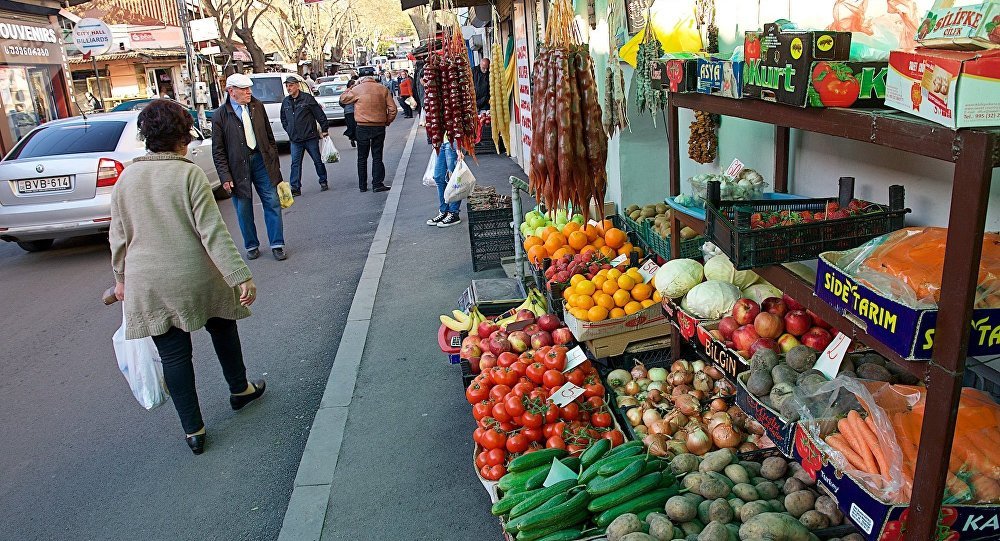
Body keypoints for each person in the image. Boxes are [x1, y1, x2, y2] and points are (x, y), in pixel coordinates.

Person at [109, 99, 266, 455]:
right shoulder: (189, 173)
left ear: (145, 137)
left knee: (173, 354)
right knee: (223, 323)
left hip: (147, 280)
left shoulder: (127, 177)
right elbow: (212, 232)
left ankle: (193, 431)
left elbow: (118, 237)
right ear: (184, 135)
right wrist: (240, 275)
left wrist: (121, 279)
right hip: (195, 272)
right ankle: (240, 390)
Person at [212, 73, 288, 261]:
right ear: (231, 91)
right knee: (243, 208)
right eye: (244, 89)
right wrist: (225, 177)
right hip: (238, 168)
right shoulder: (220, 116)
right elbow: (218, 151)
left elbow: (269, 137)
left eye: (249, 88)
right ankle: (251, 245)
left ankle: (277, 244)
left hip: (261, 161)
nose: (249, 92)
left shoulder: (257, 106)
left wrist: (273, 162)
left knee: (272, 202)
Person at [339, 75, 397, 193]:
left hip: (362, 126)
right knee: (377, 156)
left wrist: (352, 87)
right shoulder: (382, 88)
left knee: (362, 157)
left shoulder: (357, 89)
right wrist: (387, 121)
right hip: (379, 126)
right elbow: (393, 109)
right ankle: (377, 184)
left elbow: (343, 99)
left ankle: (362, 185)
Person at [280, 76, 329, 196]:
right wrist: (289, 130)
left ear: (297, 85)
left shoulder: (307, 99)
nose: (288, 88)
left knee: (317, 160)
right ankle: (295, 187)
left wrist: (324, 129)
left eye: (291, 85)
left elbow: (319, 114)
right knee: (295, 164)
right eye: (287, 86)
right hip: (295, 139)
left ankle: (323, 181)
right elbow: (284, 118)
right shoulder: (286, 101)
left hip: (310, 137)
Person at [426, 138, 462, 227]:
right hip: (441, 140)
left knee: (454, 178)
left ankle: (454, 213)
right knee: (439, 177)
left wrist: (459, 146)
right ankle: (444, 211)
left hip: (453, 140)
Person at [342, 78, 358, 148]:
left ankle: (353, 138)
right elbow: (341, 101)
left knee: (352, 126)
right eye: (355, 85)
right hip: (352, 111)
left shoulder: (345, 92)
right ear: (351, 86)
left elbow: (341, 102)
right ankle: (353, 137)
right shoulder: (349, 92)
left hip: (349, 111)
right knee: (354, 126)